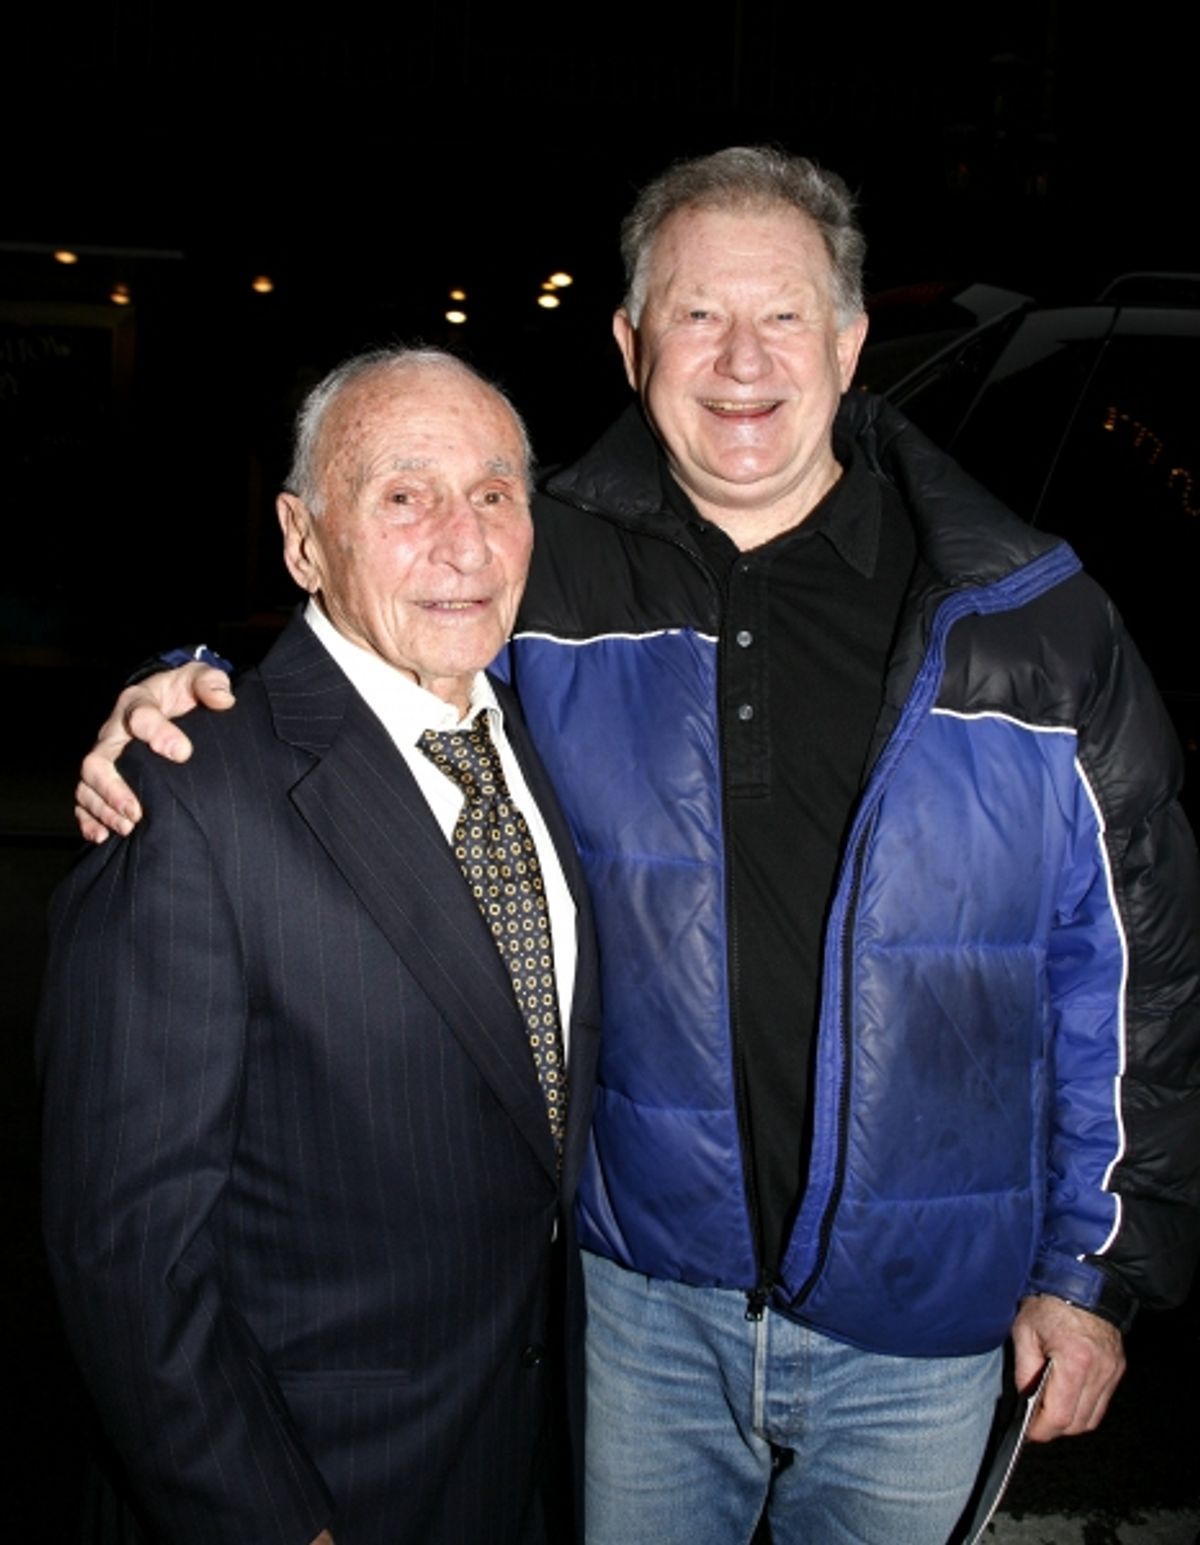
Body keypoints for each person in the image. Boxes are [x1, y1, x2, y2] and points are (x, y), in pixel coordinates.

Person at [75, 149, 1200, 1545]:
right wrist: (185, 691)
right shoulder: (541, 574)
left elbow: (1134, 969)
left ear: (850, 342)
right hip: (640, 1313)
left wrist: (1095, 1273)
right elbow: (371, 628)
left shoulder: (1030, 619)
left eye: (784, 314)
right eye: (693, 315)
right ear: (628, 343)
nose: (740, 360)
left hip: (931, 1324)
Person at [40, 349, 600, 1545]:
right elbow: (126, 1253)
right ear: (304, 541)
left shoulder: (539, 737)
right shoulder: (188, 797)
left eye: (496, 493)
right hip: (309, 1485)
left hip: (516, 1464)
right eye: (404, 496)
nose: (465, 541)